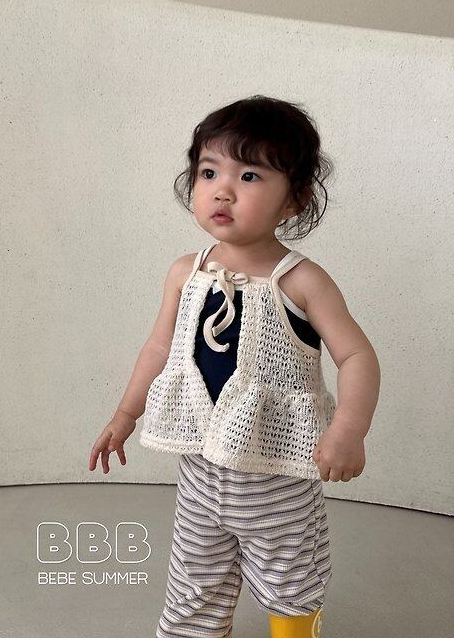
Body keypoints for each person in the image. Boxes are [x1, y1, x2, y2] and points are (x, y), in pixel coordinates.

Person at [89, 95, 380, 638]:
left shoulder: (301, 281)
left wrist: (349, 429)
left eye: (249, 176)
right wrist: (126, 413)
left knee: (291, 581)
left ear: (294, 199)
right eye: (208, 172)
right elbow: (159, 348)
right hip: (202, 472)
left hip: (278, 475)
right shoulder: (186, 272)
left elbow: (357, 355)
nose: (222, 190)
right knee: (193, 582)